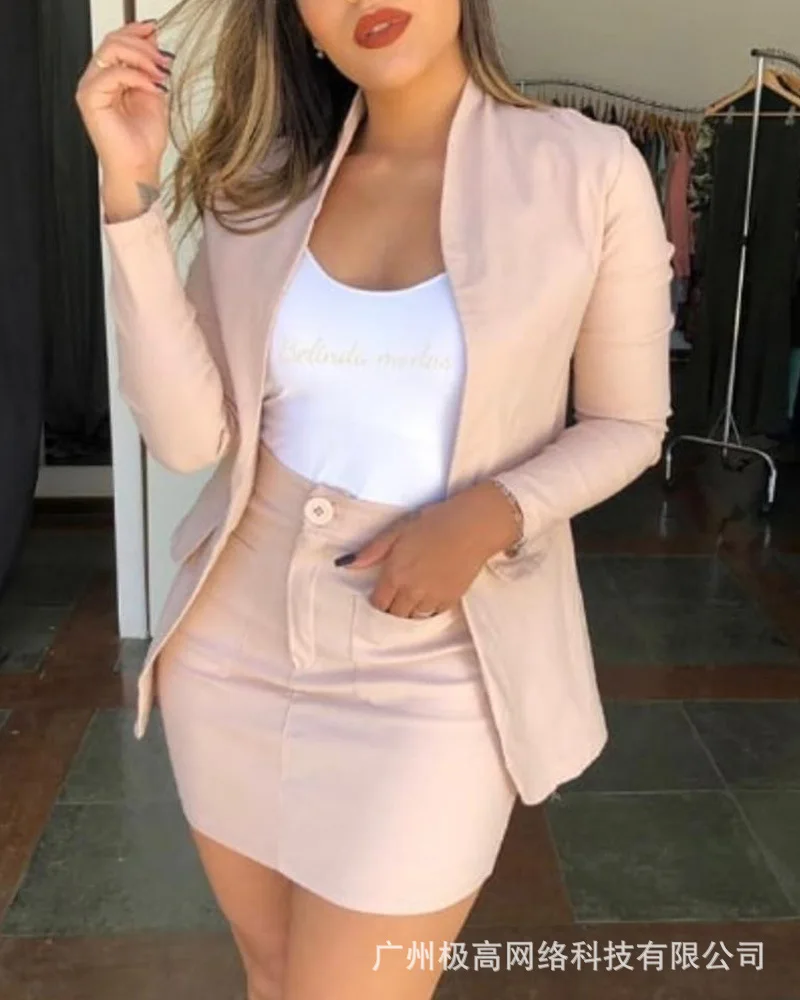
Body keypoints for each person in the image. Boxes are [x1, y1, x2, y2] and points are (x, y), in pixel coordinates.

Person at [76, 2, 674, 997]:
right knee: (273, 975)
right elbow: (186, 440)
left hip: (437, 661)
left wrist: (491, 512)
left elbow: (628, 422)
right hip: (232, 643)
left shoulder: (586, 169)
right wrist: (127, 193)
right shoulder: (263, 181)